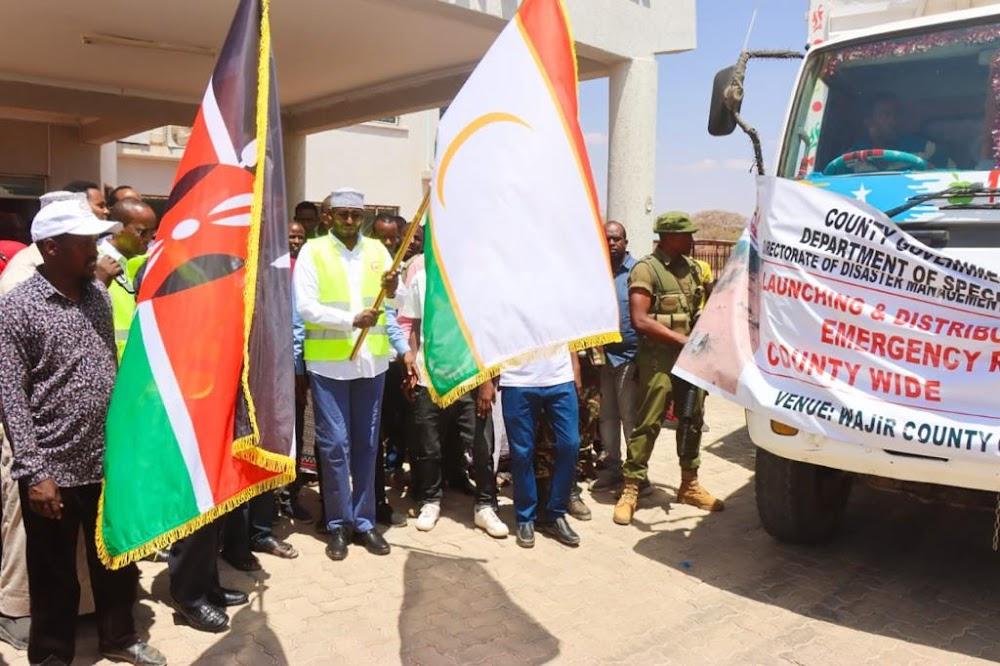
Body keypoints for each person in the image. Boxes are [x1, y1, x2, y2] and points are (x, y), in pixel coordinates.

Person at [0, 198, 164, 665]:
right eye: (85, 241)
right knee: (54, 577)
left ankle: (120, 638)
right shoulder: (17, 308)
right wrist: (34, 473)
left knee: (115, 560)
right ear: (51, 247)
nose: (96, 248)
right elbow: (11, 397)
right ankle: (52, 657)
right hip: (52, 466)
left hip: (106, 459)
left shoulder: (95, 294)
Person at [294, 187, 400, 561]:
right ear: (329, 217)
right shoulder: (313, 250)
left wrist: (394, 289)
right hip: (328, 366)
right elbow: (306, 307)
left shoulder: (377, 250)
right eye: (343, 214)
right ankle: (338, 523)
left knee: (368, 445)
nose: (350, 221)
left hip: (371, 363)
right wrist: (349, 320)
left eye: (356, 215)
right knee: (335, 446)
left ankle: (365, 522)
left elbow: (394, 303)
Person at [613, 212, 724, 527]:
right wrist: (682, 340)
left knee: (692, 419)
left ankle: (689, 484)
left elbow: (702, 309)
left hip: (690, 361)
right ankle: (631, 488)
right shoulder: (647, 269)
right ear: (669, 237)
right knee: (649, 421)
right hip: (659, 359)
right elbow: (640, 319)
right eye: (686, 235)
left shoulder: (691, 270)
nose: (692, 240)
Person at [399, 256, 508, 538]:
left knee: (482, 446)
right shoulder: (421, 279)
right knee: (429, 447)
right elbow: (410, 325)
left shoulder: (478, 282)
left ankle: (485, 505)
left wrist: (487, 381)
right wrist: (411, 363)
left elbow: (490, 335)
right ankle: (431, 501)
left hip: (471, 379)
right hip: (429, 379)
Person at [500, 348, 583, 548]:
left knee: (570, 444)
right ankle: (525, 517)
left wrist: (575, 365)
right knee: (522, 452)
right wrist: (487, 380)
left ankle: (555, 513)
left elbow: (569, 327)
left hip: (559, 376)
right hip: (517, 378)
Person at [370, 214, 410, 528]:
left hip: (390, 365)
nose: (387, 243)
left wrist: (405, 353)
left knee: (388, 431)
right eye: (381, 237)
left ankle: (378, 501)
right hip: (358, 367)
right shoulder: (366, 266)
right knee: (366, 440)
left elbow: (392, 318)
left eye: (392, 238)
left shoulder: (396, 273)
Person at [593, 221, 638, 492]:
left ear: (625, 242)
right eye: (607, 239)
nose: (611, 244)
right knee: (607, 417)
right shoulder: (596, 273)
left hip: (630, 358)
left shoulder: (637, 272)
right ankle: (612, 468)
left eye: (616, 239)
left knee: (630, 417)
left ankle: (636, 475)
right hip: (602, 358)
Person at [102, 199, 158, 358]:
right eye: (141, 232)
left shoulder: (149, 263)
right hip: (112, 366)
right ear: (118, 229)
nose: (148, 238)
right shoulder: (96, 264)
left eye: (152, 232)